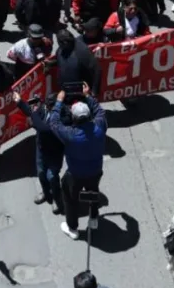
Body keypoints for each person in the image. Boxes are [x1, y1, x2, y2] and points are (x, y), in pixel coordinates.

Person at [49, 87, 106, 240]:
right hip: (95, 171)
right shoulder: (100, 127)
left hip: (75, 174)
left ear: (74, 118)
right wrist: (87, 95)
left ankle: (72, 227)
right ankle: (93, 218)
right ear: (89, 116)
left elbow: (53, 122)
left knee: (70, 199)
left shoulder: (70, 134)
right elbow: (99, 110)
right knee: (93, 193)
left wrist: (59, 102)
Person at [11, 92, 64, 213]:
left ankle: (56, 198)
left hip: (55, 153)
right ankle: (46, 193)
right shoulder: (43, 109)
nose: (48, 107)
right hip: (41, 149)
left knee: (52, 177)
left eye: (51, 106)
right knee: (41, 173)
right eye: (47, 105)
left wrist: (34, 115)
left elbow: (43, 128)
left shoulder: (64, 115)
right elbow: (31, 113)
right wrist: (20, 102)